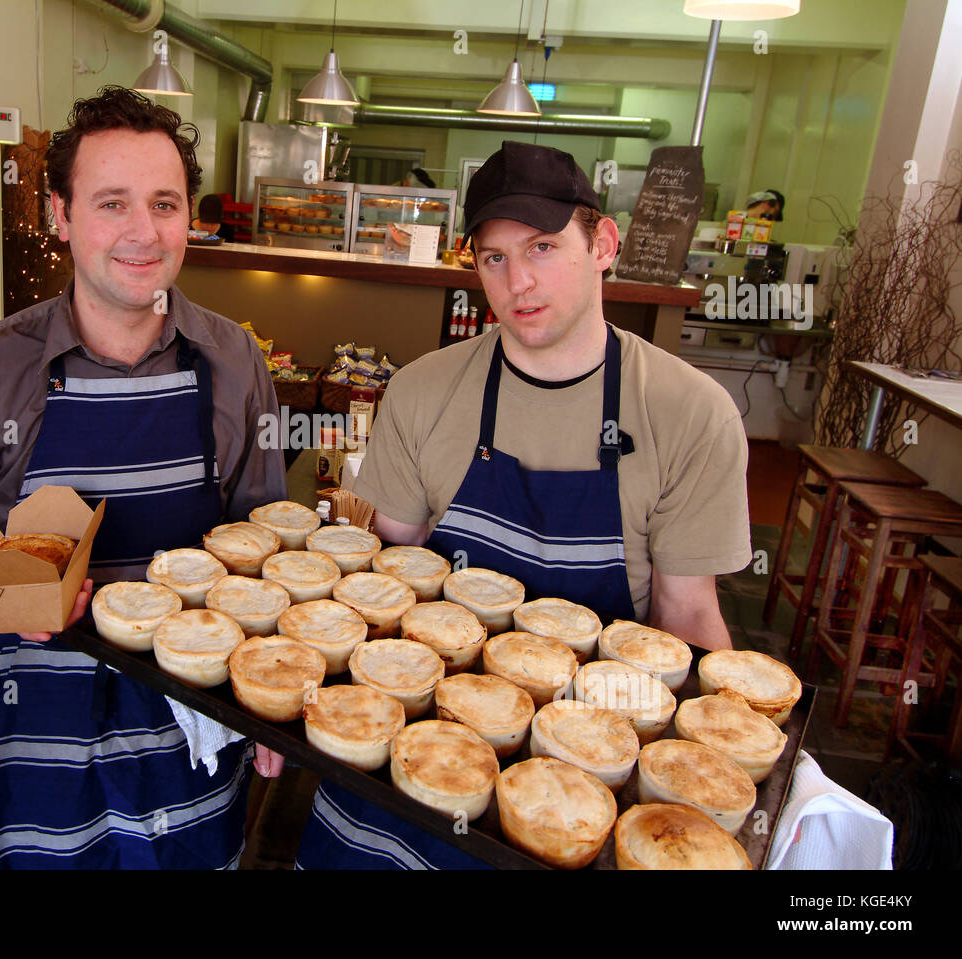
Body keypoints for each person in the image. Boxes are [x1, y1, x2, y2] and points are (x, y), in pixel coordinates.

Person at [296, 141, 752, 869]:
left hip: (579, 779)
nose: (518, 281)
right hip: (418, 754)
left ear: (602, 243)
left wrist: (713, 776)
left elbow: (687, 617)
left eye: (542, 246)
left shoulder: (689, 413)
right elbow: (383, 580)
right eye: (494, 257)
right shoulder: (424, 389)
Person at [0, 86, 288, 869]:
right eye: (112, 203)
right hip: (34, 716)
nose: (144, 232)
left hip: (192, 714)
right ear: (60, 216)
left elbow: (264, 542)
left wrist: (271, 702)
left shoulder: (234, 360)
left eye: (165, 204)